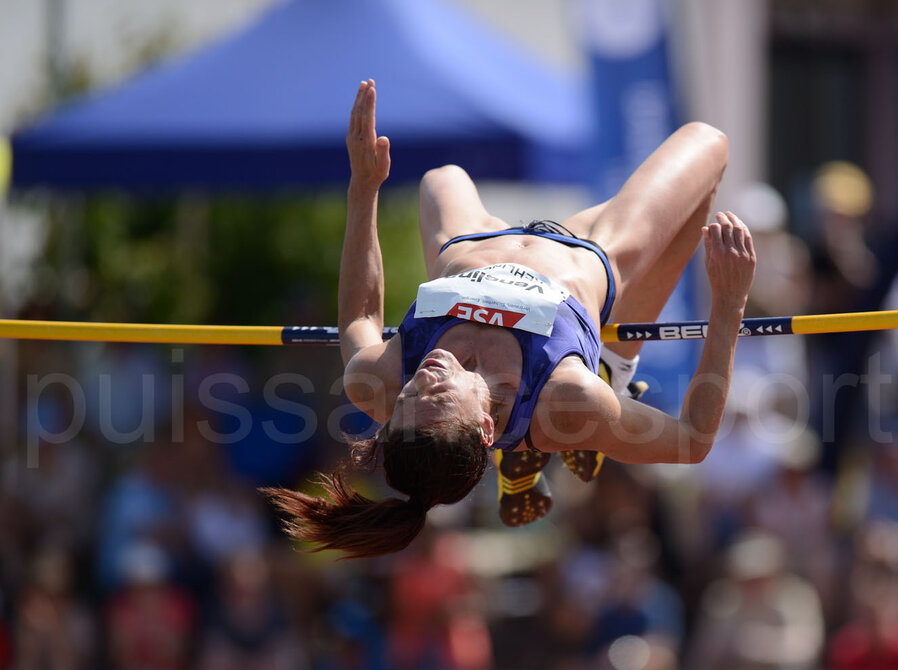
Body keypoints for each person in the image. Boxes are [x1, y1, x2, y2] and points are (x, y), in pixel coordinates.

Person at [265, 80, 752, 557]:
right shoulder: (567, 398)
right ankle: (612, 367)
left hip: (471, 241)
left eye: (409, 396)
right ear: (484, 427)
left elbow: (360, 314)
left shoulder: (380, 381)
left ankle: (586, 394)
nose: (425, 376)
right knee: (709, 145)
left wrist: (364, 188)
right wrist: (729, 304)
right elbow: (692, 440)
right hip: (591, 247)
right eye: (437, 395)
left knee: (442, 176)